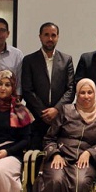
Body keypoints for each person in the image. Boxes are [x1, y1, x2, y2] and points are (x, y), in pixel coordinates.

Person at [21, 22, 75, 150]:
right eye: (46, 35)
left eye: (53, 35)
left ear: (58, 37)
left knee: (58, 154)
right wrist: (44, 112)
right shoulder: (29, 60)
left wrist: (56, 109)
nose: (50, 38)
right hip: (36, 117)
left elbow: (71, 89)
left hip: (60, 118)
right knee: (34, 153)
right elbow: (27, 90)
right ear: (40, 37)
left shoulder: (66, 59)